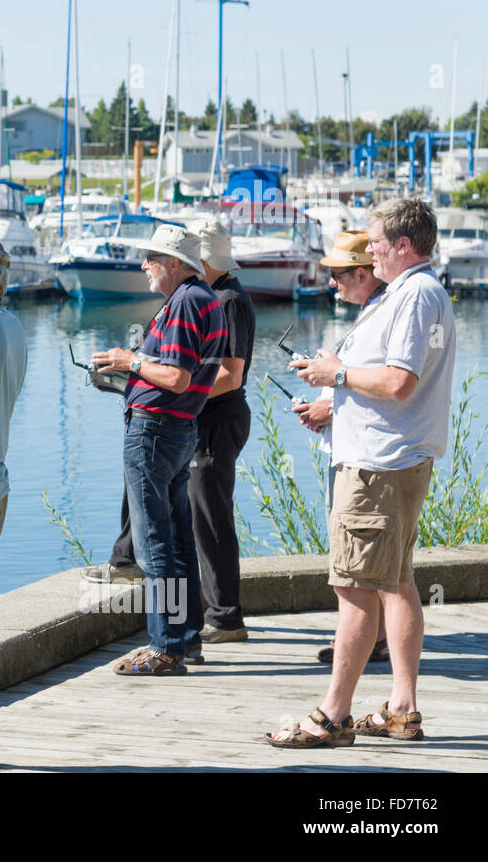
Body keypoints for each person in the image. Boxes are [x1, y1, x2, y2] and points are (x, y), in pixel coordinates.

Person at [269, 199, 455, 748]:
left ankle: (332, 716)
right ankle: (402, 707)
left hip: (378, 465)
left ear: (403, 245)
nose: (368, 249)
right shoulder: (418, 292)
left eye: (375, 241)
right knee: (396, 581)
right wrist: (338, 391)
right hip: (394, 458)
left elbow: (400, 382)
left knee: (353, 588)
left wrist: (337, 373)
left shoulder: (415, 295)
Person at [91, 224, 226, 675]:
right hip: (179, 427)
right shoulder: (207, 299)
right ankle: (185, 639)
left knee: (153, 542)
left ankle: (165, 646)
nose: (144, 265)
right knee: (178, 537)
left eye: (151, 257)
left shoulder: (187, 300)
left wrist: (129, 361)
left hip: (155, 431)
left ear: (173, 263)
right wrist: (131, 370)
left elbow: (177, 377)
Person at [292, 231, 390, 665]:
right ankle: (366, 639)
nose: (331, 283)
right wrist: (324, 406)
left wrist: (329, 407)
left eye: (337, 275)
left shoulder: (380, 314)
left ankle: (366, 643)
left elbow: (385, 386)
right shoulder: (372, 312)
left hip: (365, 457)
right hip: (353, 449)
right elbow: (358, 382)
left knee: (357, 564)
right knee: (364, 561)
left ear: (363, 273)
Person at [186, 219, 255, 644]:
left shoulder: (229, 300)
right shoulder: (219, 294)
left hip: (218, 418)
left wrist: (181, 393)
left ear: (208, 260)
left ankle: (226, 617)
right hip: (210, 417)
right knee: (203, 515)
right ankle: (218, 611)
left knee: (211, 518)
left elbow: (230, 375)